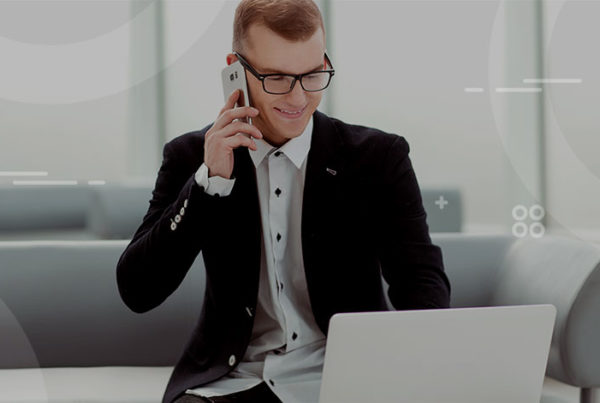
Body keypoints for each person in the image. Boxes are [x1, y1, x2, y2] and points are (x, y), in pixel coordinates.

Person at [116, 1, 451, 402]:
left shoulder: (378, 158)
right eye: (276, 77)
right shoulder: (192, 157)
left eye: (312, 75)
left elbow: (422, 280)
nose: (297, 98)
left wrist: (416, 366)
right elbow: (138, 291)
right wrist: (209, 184)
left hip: (344, 378)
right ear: (235, 69)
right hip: (232, 380)